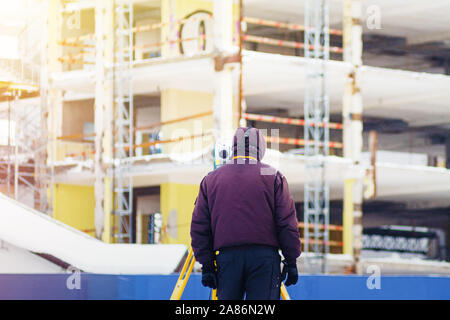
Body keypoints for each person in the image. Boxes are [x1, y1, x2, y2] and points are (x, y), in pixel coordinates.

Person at [190, 127, 301, 300]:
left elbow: (200, 226)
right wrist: (291, 260)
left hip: (227, 259)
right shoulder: (273, 176)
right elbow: (286, 223)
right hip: (264, 260)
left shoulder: (211, 180)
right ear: (260, 148)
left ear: (234, 147)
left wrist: (207, 265)